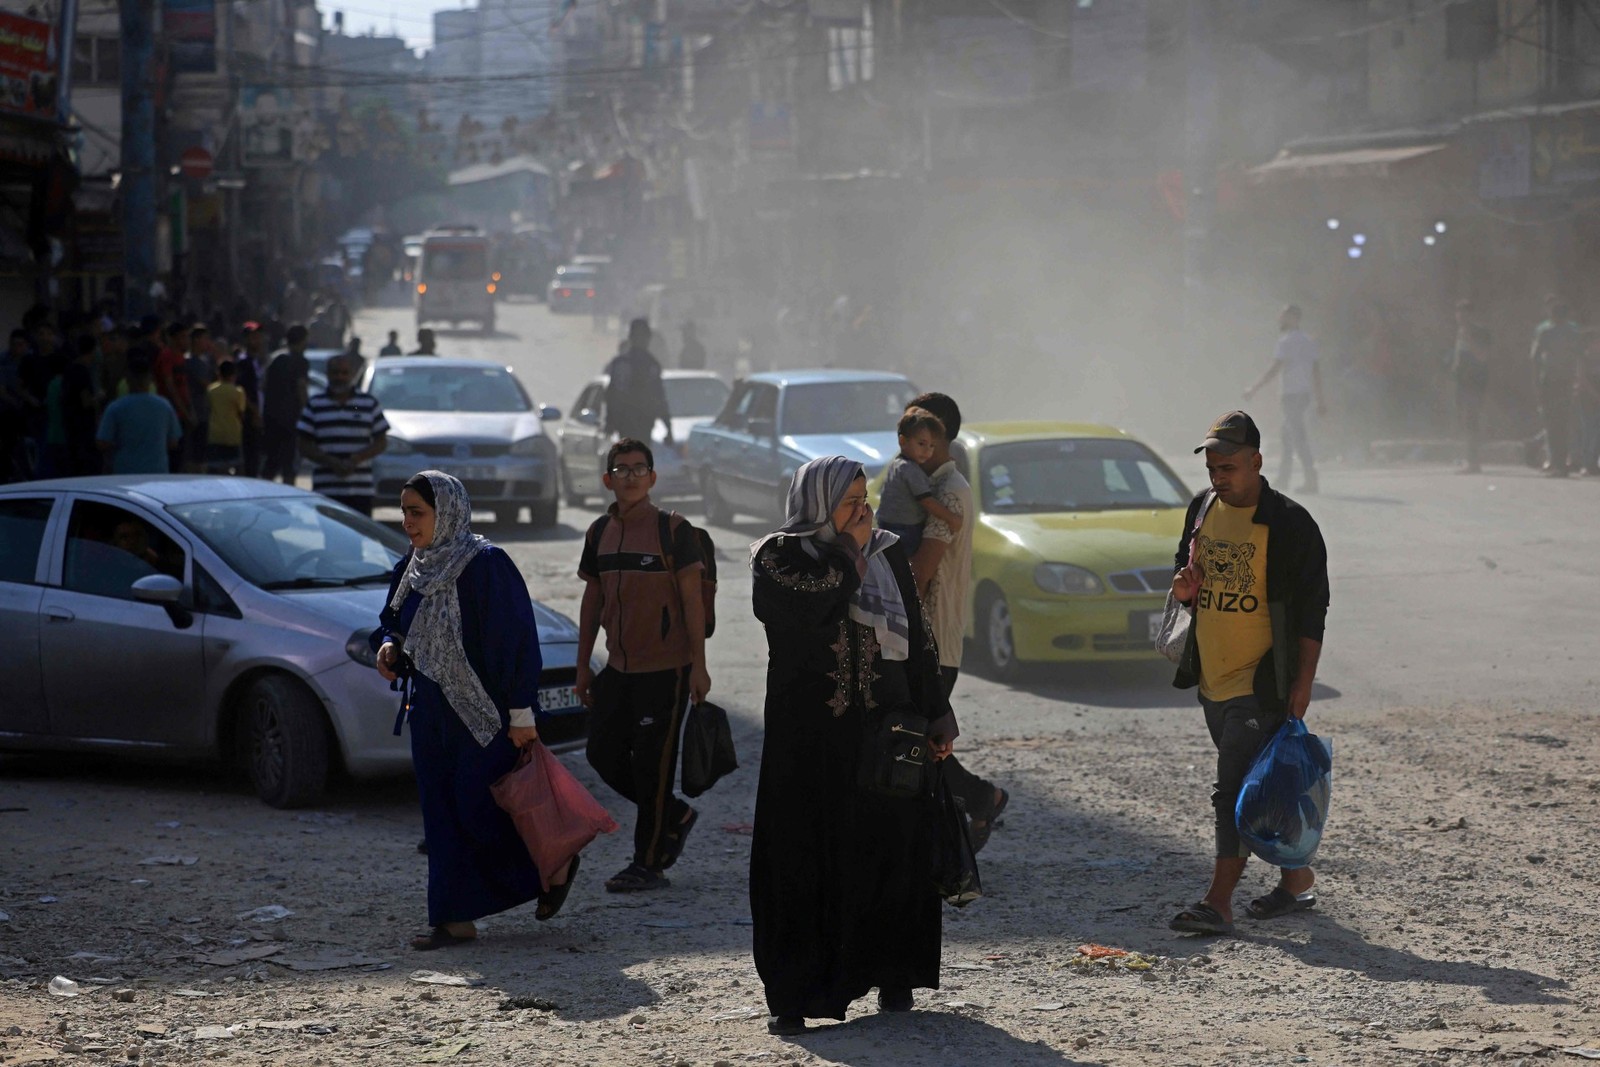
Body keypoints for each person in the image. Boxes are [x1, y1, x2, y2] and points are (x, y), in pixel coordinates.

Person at [749, 455, 959, 1034]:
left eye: (864, 499)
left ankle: (892, 975)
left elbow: (917, 635)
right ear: (817, 505)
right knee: (802, 856)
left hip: (884, 732)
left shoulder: (887, 552)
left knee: (889, 848)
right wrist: (847, 551)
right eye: (848, 503)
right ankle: (795, 994)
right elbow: (808, 609)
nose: (862, 511)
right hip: (808, 743)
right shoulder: (778, 556)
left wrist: (937, 708)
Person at [373, 470, 577, 950]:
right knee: (440, 813)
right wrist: (387, 647)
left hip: (483, 714)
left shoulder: (485, 565)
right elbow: (393, 623)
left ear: (446, 512)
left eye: (417, 512)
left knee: (478, 808)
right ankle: (453, 918)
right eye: (404, 512)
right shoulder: (415, 566)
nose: (408, 522)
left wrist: (523, 714)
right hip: (429, 709)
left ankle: (553, 865)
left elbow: (515, 642)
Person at [1167, 410, 1330, 937]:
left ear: (1257, 462)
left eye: (1229, 466)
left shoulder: (1290, 523)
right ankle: (1296, 880)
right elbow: (1183, 574)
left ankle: (1218, 902)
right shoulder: (1202, 508)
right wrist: (1184, 589)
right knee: (1258, 789)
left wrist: (1302, 684)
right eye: (1213, 465)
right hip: (1212, 677)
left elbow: (1312, 609)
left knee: (1231, 787)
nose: (1218, 475)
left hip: (1261, 683)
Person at [576, 438, 711, 894]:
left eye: (639, 469)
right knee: (601, 753)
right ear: (607, 479)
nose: (630, 476)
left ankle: (648, 863)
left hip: (667, 669)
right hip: (618, 668)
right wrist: (582, 668)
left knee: (654, 767)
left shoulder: (674, 529)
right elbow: (592, 602)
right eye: (621, 469)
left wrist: (698, 666)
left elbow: (692, 601)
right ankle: (673, 814)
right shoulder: (598, 532)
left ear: (653, 478)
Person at [899, 392, 1009, 852]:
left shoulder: (947, 492)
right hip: (925, 637)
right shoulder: (924, 483)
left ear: (939, 435)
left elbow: (921, 571)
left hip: (931, 639)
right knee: (912, 739)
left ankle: (978, 801)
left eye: (920, 430)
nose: (909, 440)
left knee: (917, 741)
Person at [296, 352, 390, 515]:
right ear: (328, 374)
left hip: (361, 491)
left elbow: (381, 442)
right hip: (326, 490)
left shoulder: (368, 403)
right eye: (335, 373)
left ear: (352, 375)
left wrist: (356, 459)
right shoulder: (315, 404)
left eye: (344, 373)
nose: (340, 377)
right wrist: (331, 462)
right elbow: (303, 445)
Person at [1244, 305, 1324, 494]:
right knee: (1287, 435)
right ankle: (1283, 478)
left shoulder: (1286, 341)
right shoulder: (1307, 341)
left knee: (1297, 436)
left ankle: (1311, 479)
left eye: (1284, 317)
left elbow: (1275, 369)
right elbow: (1316, 372)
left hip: (1291, 395)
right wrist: (1320, 400)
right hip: (1303, 395)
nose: (1280, 320)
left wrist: (1253, 389)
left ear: (1294, 318)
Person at [875, 407, 964, 556]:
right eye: (921, 444)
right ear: (903, 441)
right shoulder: (910, 469)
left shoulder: (897, 464)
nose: (927, 451)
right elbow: (927, 501)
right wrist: (952, 519)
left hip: (887, 526)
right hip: (905, 530)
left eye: (931, 446)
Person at [96, 346, 182, 474]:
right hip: (157, 472)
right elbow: (173, 442)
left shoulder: (116, 407)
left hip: (125, 473)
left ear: (128, 380)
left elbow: (102, 443)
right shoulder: (164, 405)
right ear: (150, 380)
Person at [1530, 297, 1583, 477]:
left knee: (1552, 423)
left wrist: (1536, 382)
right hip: (1565, 381)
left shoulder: (1546, 332)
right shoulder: (1573, 332)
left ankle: (1557, 463)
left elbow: (1535, 358)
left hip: (1551, 381)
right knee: (1562, 423)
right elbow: (1579, 358)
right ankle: (1560, 463)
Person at [603, 319, 674, 446]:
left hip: (639, 424)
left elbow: (659, 397)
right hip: (631, 424)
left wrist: (668, 426)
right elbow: (613, 395)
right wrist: (668, 427)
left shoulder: (647, 365)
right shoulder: (630, 364)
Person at [261, 324, 311, 483]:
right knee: (289, 463)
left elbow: (263, 386)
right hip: (291, 419)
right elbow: (301, 388)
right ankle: (288, 495)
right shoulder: (300, 361)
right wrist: (308, 413)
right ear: (302, 341)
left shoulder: (275, 358)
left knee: (271, 462)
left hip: (271, 418)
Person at [1451, 299, 1492, 473]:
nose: (1460, 317)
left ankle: (1474, 462)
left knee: (1471, 420)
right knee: (1465, 421)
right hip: (1462, 383)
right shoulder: (1460, 332)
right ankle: (1468, 457)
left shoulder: (1480, 332)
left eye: (1464, 313)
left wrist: (1470, 340)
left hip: (1475, 382)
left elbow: (1483, 356)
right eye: (1458, 313)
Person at [235, 323, 267, 477]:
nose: (258, 341)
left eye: (259, 337)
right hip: (248, 419)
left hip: (258, 417)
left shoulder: (258, 362)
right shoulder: (243, 362)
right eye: (253, 337)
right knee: (250, 461)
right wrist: (254, 412)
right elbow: (240, 391)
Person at [205, 361, 248, 474]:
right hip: (233, 434)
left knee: (217, 469)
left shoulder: (211, 390)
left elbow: (208, 409)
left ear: (219, 374)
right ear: (234, 375)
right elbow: (241, 413)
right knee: (238, 467)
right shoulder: (238, 392)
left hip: (215, 434)